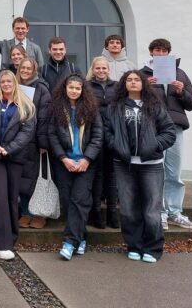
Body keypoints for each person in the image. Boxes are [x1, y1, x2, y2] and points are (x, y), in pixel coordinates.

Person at [104, 70, 176, 263]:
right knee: (128, 208)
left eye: (137, 79)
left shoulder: (155, 106)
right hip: (124, 164)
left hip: (151, 165)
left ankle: (153, 248)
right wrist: (116, 146)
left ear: (143, 83)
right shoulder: (115, 107)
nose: (133, 82)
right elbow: (107, 131)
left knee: (151, 209)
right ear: (124, 84)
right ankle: (134, 245)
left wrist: (155, 145)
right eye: (129, 80)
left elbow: (169, 132)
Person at [140, 38, 192, 231]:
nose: (160, 53)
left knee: (174, 172)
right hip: (153, 127)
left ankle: (175, 212)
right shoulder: (141, 74)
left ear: (168, 53)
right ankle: (160, 213)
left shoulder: (180, 73)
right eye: (157, 50)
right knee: (157, 171)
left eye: (164, 51)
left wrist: (181, 92)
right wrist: (143, 87)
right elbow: (130, 100)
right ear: (151, 52)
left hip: (175, 127)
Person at [0, 70, 37, 260]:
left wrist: (9, 149)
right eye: (3, 81)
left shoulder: (26, 104)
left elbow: (27, 132)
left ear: (14, 82)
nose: (6, 84)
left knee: (12, 197)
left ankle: (10, 239)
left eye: (9, 81)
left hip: (14, 156)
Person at [48, 74, 102, 261]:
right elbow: (52, 135)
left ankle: (69, 242)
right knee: (69, 200)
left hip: (86, 163)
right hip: (64, 163)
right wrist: (64, 158)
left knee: (80, 200)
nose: (74, 91)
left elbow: (98, 136)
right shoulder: (56, 108)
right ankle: (81, 238)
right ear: (65, 88)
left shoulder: (91, 108)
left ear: (82, 90)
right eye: (71, 87)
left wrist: (87, 159)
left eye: (78, 88)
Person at [16, 58, 52, 229]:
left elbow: (45, 117)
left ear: (34, 70)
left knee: (38, 179)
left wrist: (42, 142)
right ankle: (26, 212)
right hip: (18, 140)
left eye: (28, 68)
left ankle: (39, 214)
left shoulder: (42, 88)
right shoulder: (14, 86)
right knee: (23, 179)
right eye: (22, 67)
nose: (25, 70)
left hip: (35, 141)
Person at [86, 56, 118, 229]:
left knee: (111, 175)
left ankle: (113, 212)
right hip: (95, 135)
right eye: (98, 68)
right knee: (97, 175)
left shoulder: (117, 86)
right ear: (93, 69)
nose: (101, 71)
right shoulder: (87, 86)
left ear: (108, 69)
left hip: (113, 135)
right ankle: (96, 212)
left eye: (104, 68)